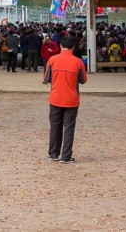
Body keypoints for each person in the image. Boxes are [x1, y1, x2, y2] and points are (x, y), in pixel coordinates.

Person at [44, 34, 88, 163]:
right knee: (69, 128)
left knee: (55, 127)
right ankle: (66, 156)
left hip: (55, 97)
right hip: (72, 99)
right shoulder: (78, 62)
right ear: (73, 48)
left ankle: (53, 153)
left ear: (60, 46)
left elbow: (46, 78)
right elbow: (83, 80)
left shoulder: (52, 60)